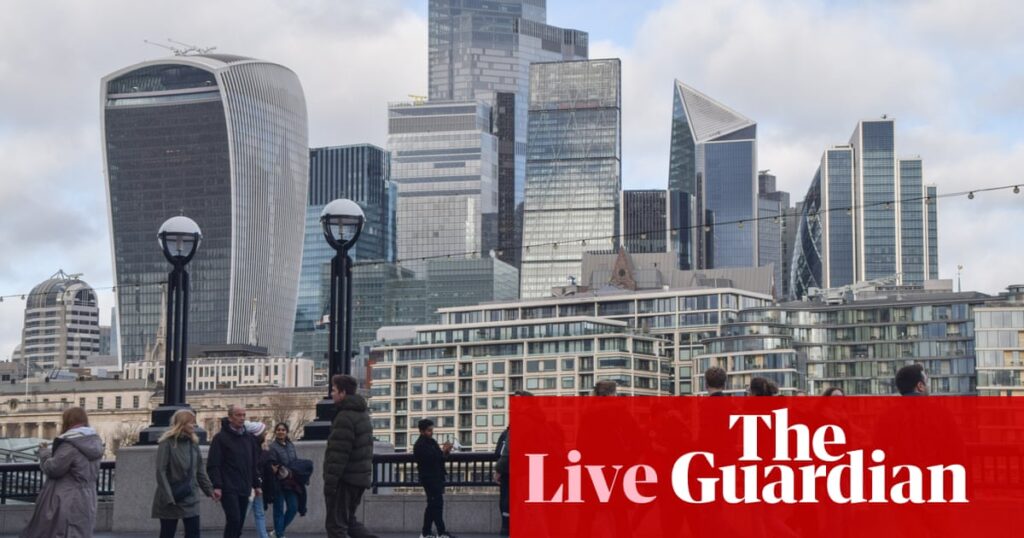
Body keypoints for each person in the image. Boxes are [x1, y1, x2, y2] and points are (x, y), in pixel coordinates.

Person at [21, 407, 104, 538]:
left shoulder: (70, 444)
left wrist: (44, 454)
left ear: (67, 421)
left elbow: (54, 469)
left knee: (61, 531)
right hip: (88, 496)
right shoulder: (94, 442)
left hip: (67, 497)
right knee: (80, 532)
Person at [323, 374, 377, 538]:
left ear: (343, 392)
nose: (331, 394)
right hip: (358, 479)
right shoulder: (362, 414)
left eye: (334, 390)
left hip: (345, 480)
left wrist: (330, 485)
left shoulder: (344, 417)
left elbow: (338, 455)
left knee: (336, 526)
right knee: (350, 522)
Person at [152, 409, 214, 538]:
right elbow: (161, 472)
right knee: (167, 534)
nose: (194, 426)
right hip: (171, 497)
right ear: (182, 424)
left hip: (190, 496)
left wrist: (210, 491)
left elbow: (200, 471)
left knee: (194, 533)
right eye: (191, 422)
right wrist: (169, 497)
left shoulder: (193, 443)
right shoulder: (167, 443)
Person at [207, 404, 261, 538]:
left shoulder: (249, 438)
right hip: (228, 487)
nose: (242, 418)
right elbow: (214, 464)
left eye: (244, 415)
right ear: (230, 418)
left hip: (244, 486)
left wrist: (257, 485)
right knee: (234, 519)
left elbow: (253, 464)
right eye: (238, 415)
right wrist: (217, 486)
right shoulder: (220, 438)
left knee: (240, 521)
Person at [414, 419, 454, 538]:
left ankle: (426, 532)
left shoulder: (431, 442)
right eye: (429, 430)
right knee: (436, 504)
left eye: (432, 430)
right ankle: (440, 532)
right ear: (422, 431)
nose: (431, 432)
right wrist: (443, 452)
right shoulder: (420, 445)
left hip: (436, 477)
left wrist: (445, 452)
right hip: (429, 478)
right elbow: (431, 460)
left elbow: (440, 458)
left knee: (433, 505)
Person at [268, 423, 301, 538]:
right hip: (278, 482)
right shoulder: (272, 447)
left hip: (290, 482)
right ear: (275, 432)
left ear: (286, 432)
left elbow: (295, 460)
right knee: (278, 509)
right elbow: (272, 463)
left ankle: (277, 531)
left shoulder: (291, 445)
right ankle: (280, 534)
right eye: (278, 430)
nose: (280, 432)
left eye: (283, 430)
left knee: (293, 508)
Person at [246, 422, 270, 538]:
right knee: (245, 513)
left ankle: (263, 536)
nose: (266, 434)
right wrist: (265, 452)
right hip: (253, 485)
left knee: (259, 512)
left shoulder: (255, 445)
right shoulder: (254, 447)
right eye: (264, 432)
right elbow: (256, 465)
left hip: (257, 483)